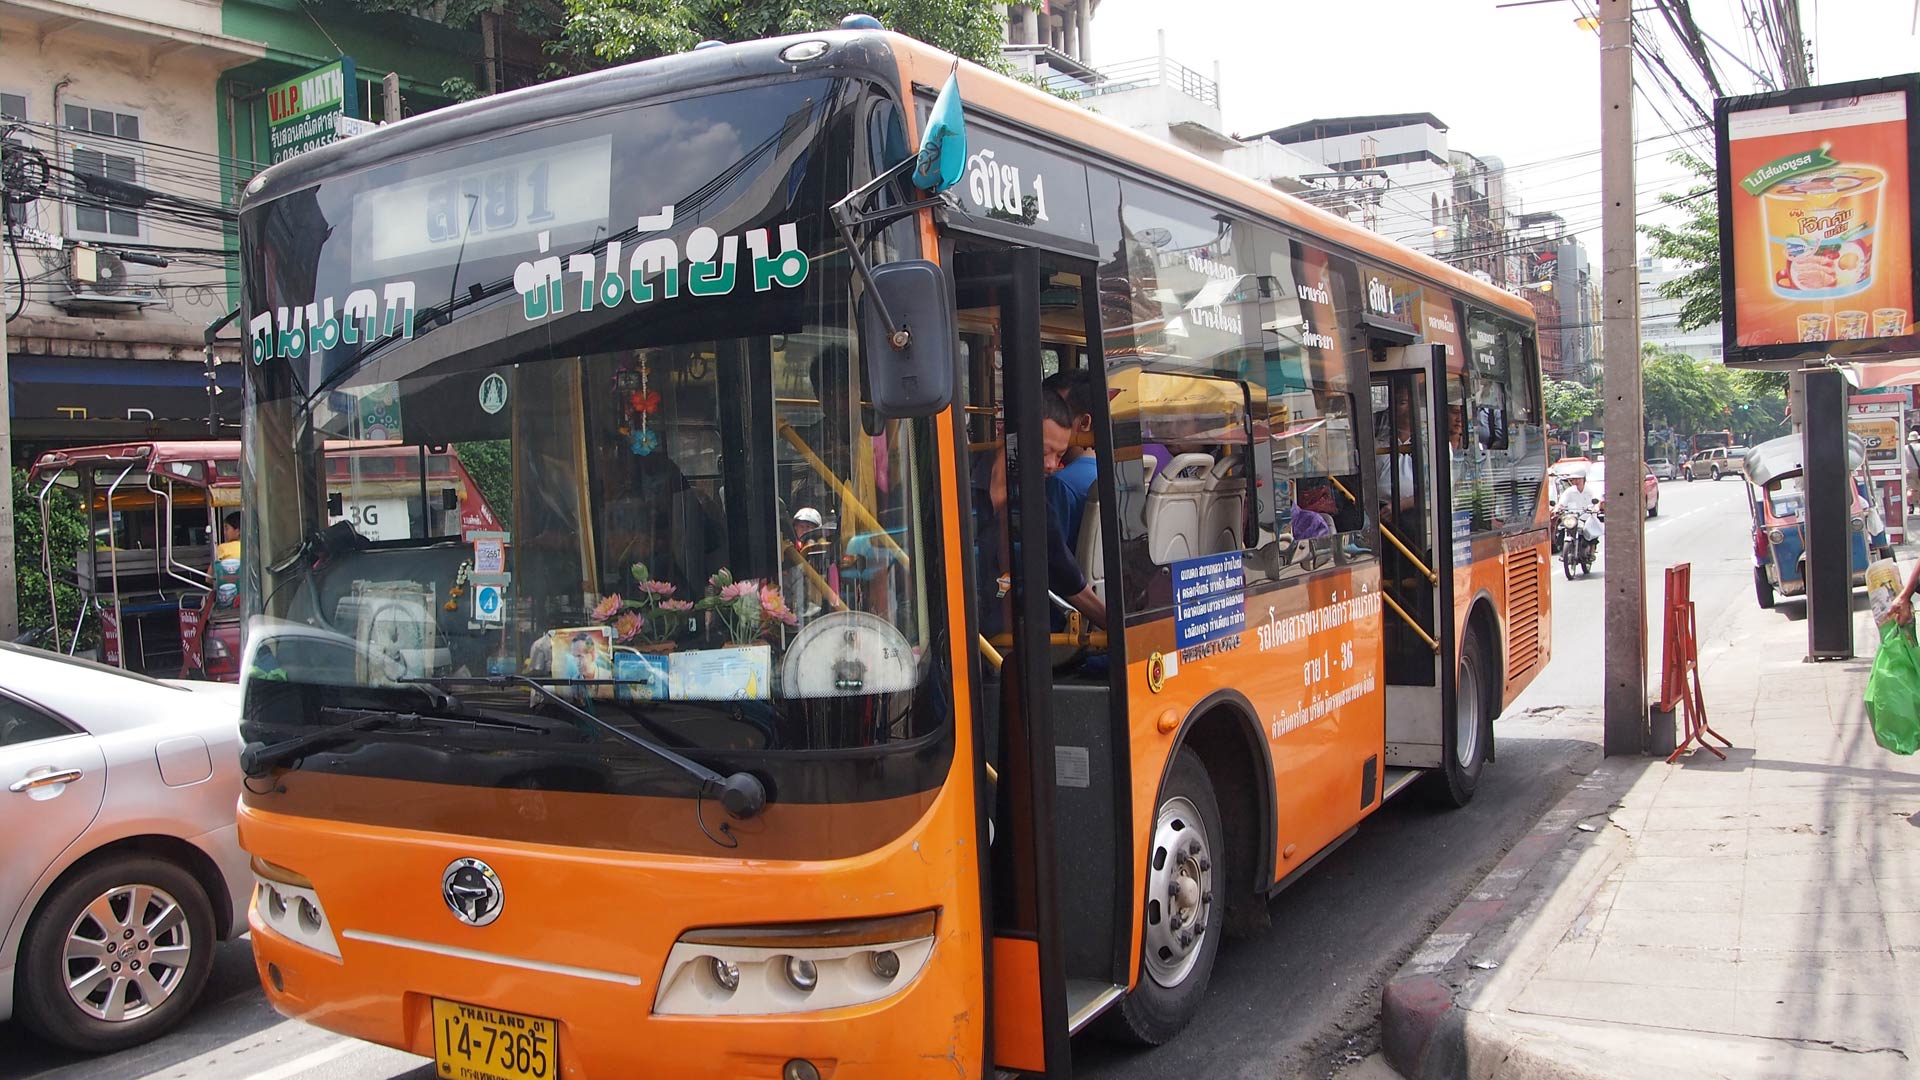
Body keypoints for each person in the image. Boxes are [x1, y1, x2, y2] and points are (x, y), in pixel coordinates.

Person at [973, 391, 1106, 634]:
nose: (1052, 465)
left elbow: (1070, 581)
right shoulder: (959, 482)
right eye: (1045, 452)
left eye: (1060, 455)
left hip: (1013, 646)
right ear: (1008, 436)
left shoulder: (1036, 504)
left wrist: (1123, 634)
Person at [1041, 367, 1098, 546]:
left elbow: (1046, 556)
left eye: (1061, 412)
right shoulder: (1115, 471)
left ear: (1085, 423)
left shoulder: (1061, 484)